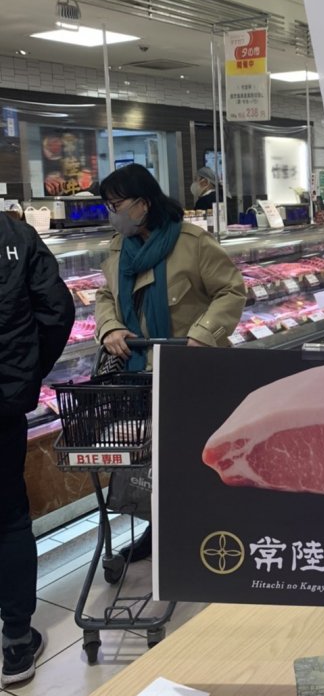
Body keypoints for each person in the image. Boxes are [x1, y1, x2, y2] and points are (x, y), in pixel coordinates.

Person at [95, 164, 247, 559]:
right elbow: (105, 295)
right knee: (152, 461)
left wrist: (203, 333)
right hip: (138, 373)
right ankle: (159, 531)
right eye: (108, 206)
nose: (112, 214)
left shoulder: (192, 242)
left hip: (191, 371)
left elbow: (231, 290)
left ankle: (208, 533)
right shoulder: (119, 247)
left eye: (117, 205)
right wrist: (110, 327)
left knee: (194, 456)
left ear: (143, 203)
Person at [0, 213, 74, 686]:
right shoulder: (15, 235)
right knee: (8, 518)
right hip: (3, 402)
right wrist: (27, 373)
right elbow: (56, 310)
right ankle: (15, 640)